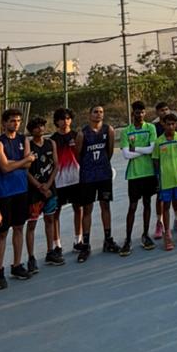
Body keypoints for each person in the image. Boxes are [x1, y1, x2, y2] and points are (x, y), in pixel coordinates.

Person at [0, 109, 31, 289]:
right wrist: (21, 161)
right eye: (12, 121)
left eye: (18, 121)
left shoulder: (24, 140)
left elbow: (28, 162)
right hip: (4, 192)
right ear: (4, 123)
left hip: (21, 189)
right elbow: (5, 168)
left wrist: (11, 164)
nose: (16, 124)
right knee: (3, 232)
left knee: (19, 227)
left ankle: (16, 264)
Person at [76, 104, 118, 260]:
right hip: (88, 177)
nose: (98, 114)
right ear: (89, 114)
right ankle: (86, 244)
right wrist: (89, 168)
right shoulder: (82, 134)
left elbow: (110, 151)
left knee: (105, 206)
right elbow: (78, 156)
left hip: (104, 175)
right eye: (95, 112)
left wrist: (102, 166)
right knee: (87, 209)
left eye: (101, 112)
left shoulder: (109, 130)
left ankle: (108, 240)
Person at [118, 101, 159, 256]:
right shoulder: (126, 131)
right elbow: (126, 154)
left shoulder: (151, 128)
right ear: (132, 113)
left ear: (145, 113)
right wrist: (144, 150)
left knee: (147, 204)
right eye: (137, 112)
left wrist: (135, 149)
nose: (140, 115)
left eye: (142, 112)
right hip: (134, 174)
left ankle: (146, 235)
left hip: (149, 173)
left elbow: (152, 149)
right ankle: (127, 239)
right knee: (133, 207)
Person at [153, 114, 177, 249]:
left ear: (176, 125)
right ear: (163, 124)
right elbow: (156, 161)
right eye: (168, 124)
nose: (170, 127)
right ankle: (167, 235)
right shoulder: (159, 142)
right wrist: (159, 177)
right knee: (167, 206)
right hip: (166, 180)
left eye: (173, 124)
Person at [25, 115, 57, 274]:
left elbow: (56, 166)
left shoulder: (51, 143)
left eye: (42, 126)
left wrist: (48, 185)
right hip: (34, 192)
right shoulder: (28, 145)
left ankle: (50, 251)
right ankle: (31, 257)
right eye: (37, 127)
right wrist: (39, 186)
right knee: (32, 224)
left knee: (50, 219)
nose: (40, 129)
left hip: (50, 189)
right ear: (31, 130)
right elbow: (26, 170)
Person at [51, 107, 79, 263]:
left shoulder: (77, 136)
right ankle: (57, 243)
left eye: (68, 118)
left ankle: (78, 239)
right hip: (59, 181)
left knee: (78, 208)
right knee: (56, 213)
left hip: (76, 179)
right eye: (62, 119)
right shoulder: (53, 140)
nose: (65, 121)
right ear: (56, 121)